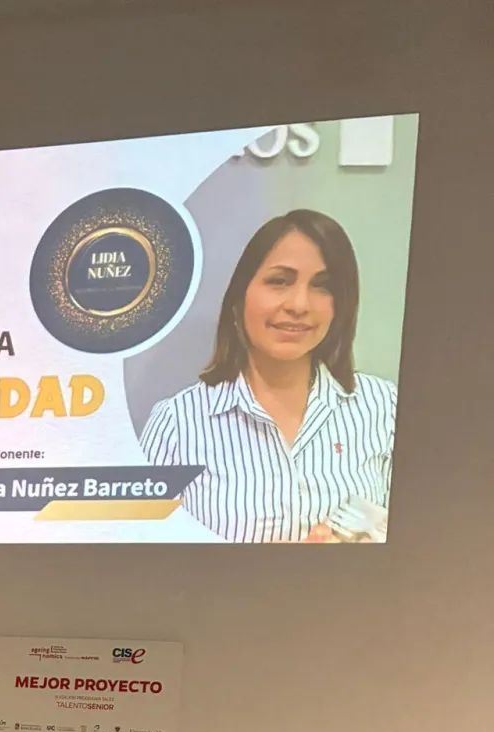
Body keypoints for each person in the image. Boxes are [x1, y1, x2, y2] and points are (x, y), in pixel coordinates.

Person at [140, 209, 397, 543]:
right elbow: (141, 568)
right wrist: (252, 568)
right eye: (280, 281)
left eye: (323, 286)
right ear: (239, 298)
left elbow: (424, 546)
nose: (299, 304)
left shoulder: (386, 407)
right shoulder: (175, 424)